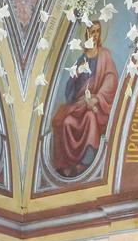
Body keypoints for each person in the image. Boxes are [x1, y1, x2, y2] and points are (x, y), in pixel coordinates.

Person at [50, 21, 117, 176]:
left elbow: (111, 78)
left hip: (94, 106)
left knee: (90, 118)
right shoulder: (81, 59)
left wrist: (98, 98)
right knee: (66, 122)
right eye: (91, 32)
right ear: (86, 34)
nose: (94, 35)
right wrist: (75, 75)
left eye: (97, 32)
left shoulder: (104, 54)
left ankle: (86, 162)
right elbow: (70, 90)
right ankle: (68, 163)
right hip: (78, 105)